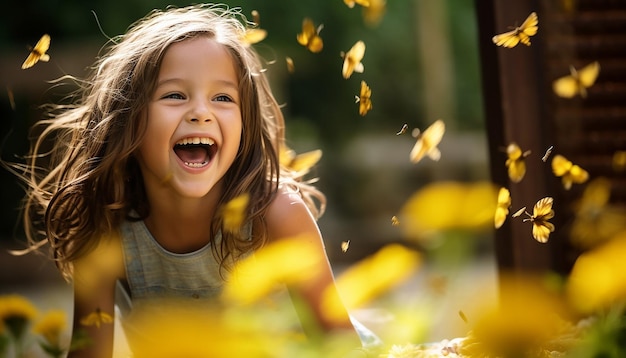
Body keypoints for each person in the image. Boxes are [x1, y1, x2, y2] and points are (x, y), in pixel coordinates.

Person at [12, 4, 381, 357]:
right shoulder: (104, 228)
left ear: (245, 123)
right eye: (174, 95)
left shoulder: (277, 216)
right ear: (126, 118)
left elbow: (342, 348)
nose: (201, 113)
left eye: (222, 97)